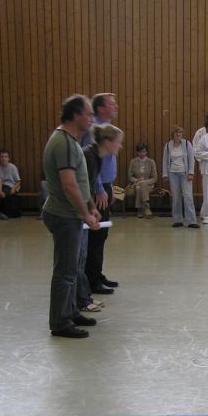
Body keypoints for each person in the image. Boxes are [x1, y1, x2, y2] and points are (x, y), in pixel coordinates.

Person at [42, 94, 100, 339]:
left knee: (73, 268)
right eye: (88, 114)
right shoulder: (64, 143)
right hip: (64, 216)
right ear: (75, 115)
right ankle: (60, 322)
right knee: (65, 272)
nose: (91, 119)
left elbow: (80, 180)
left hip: (70, 214)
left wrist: (90, 205)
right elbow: (69, 184)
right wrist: (85, 213)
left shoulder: (70, 141)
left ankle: (71, 311)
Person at [80, 124, 124, 315]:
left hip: (85, 205)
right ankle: (81, 299)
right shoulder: (89, 156)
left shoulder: (97, 157)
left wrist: (91, 208)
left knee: (87, 248)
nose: (120, 146)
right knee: (80, 254)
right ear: (106, 142)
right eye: (118, 142)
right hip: (70, 211)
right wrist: (87, 212)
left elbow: (87, 186)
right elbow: (80, 187)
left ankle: (83, 296)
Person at [83, 93, 120, 295]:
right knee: (96, 234)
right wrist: (98, 189)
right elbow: (90, 165)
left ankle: (96, 273)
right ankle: (92, 278)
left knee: (102, 234)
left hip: (105, 185)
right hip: (97, 188)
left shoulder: (108, 128)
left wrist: (109, 186)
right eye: (111, 104)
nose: (115, 107)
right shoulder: (95, 130)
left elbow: (106, 164)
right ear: (100, 108)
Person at [162, 126, 198, 228]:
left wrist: (191, 173)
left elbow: (191, 159)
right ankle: (178, 220)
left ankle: (191, 221)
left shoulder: (187, 144)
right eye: (177, 132)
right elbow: (165, 160)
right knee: (176, 197)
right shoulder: (168, 145)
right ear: (173, 134)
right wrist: (165, 174)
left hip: (185, 173)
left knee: (188, 197)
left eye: (180, 132)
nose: (178, 134)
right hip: (173, 173)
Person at [128, 143, 158, 218]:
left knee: (142, 186)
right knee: (139, 187)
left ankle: (140, 210)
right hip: (137, 184)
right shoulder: (133, 161)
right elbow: (130, 177)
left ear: (146, 152)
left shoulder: (151, 162)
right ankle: (146, 206)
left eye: (144, 152)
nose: (142, 153)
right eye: (140, 152)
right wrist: (137, 180)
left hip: (149, 185)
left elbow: (155, 178)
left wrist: (144, 182)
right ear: (137, 152)